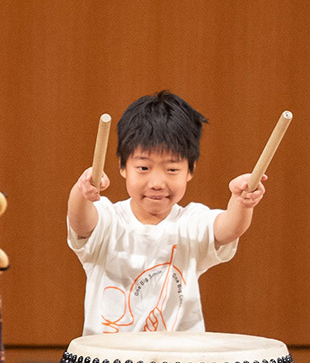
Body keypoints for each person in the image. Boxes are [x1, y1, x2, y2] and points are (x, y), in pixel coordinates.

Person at [66, 91, 264, 335]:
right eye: (143, 167)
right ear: (123, 167)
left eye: (171, 169)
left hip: (178, 356)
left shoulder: (191, 222)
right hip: (108, 356)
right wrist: (82, 192)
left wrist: (241, 202)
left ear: (190, 170)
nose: (157, 183)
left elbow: (228, 229)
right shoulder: (108, 219)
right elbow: (80, 221)